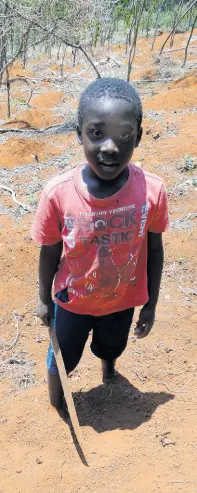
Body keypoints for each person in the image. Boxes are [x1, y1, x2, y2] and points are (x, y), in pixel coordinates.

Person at [31, 77, 170, 410]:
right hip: (72, 300)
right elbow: (49, 251)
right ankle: (57, 403)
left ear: (138, 136)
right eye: (97, 133)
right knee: (62, 358)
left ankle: (109, 371)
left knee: (111, 346)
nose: (110, 146)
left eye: (124, 134)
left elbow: (154, 250)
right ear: (79, 133)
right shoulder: (58, 193)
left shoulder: (151, 191)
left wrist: (150, 303)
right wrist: (43, 299)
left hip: (121, 299)